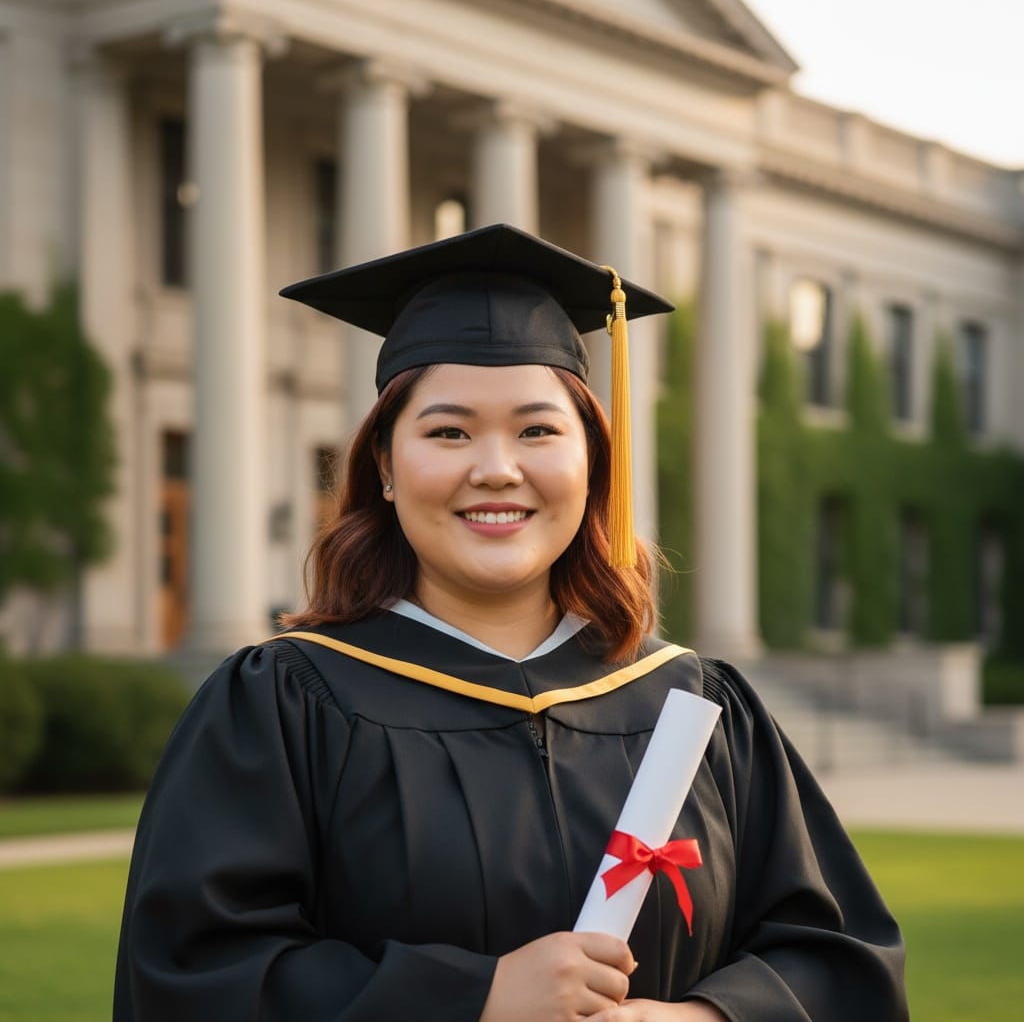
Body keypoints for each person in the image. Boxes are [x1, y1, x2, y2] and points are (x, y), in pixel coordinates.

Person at [114, 224, 908, 1021]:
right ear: (385, 466)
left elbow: (841, 962)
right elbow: (194, 977)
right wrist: (473, 999)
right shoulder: (285, 704)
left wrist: (705, 1017)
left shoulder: (695, 704)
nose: (497, 468)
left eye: (537, 430)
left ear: (591, 461)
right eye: (449, 431)